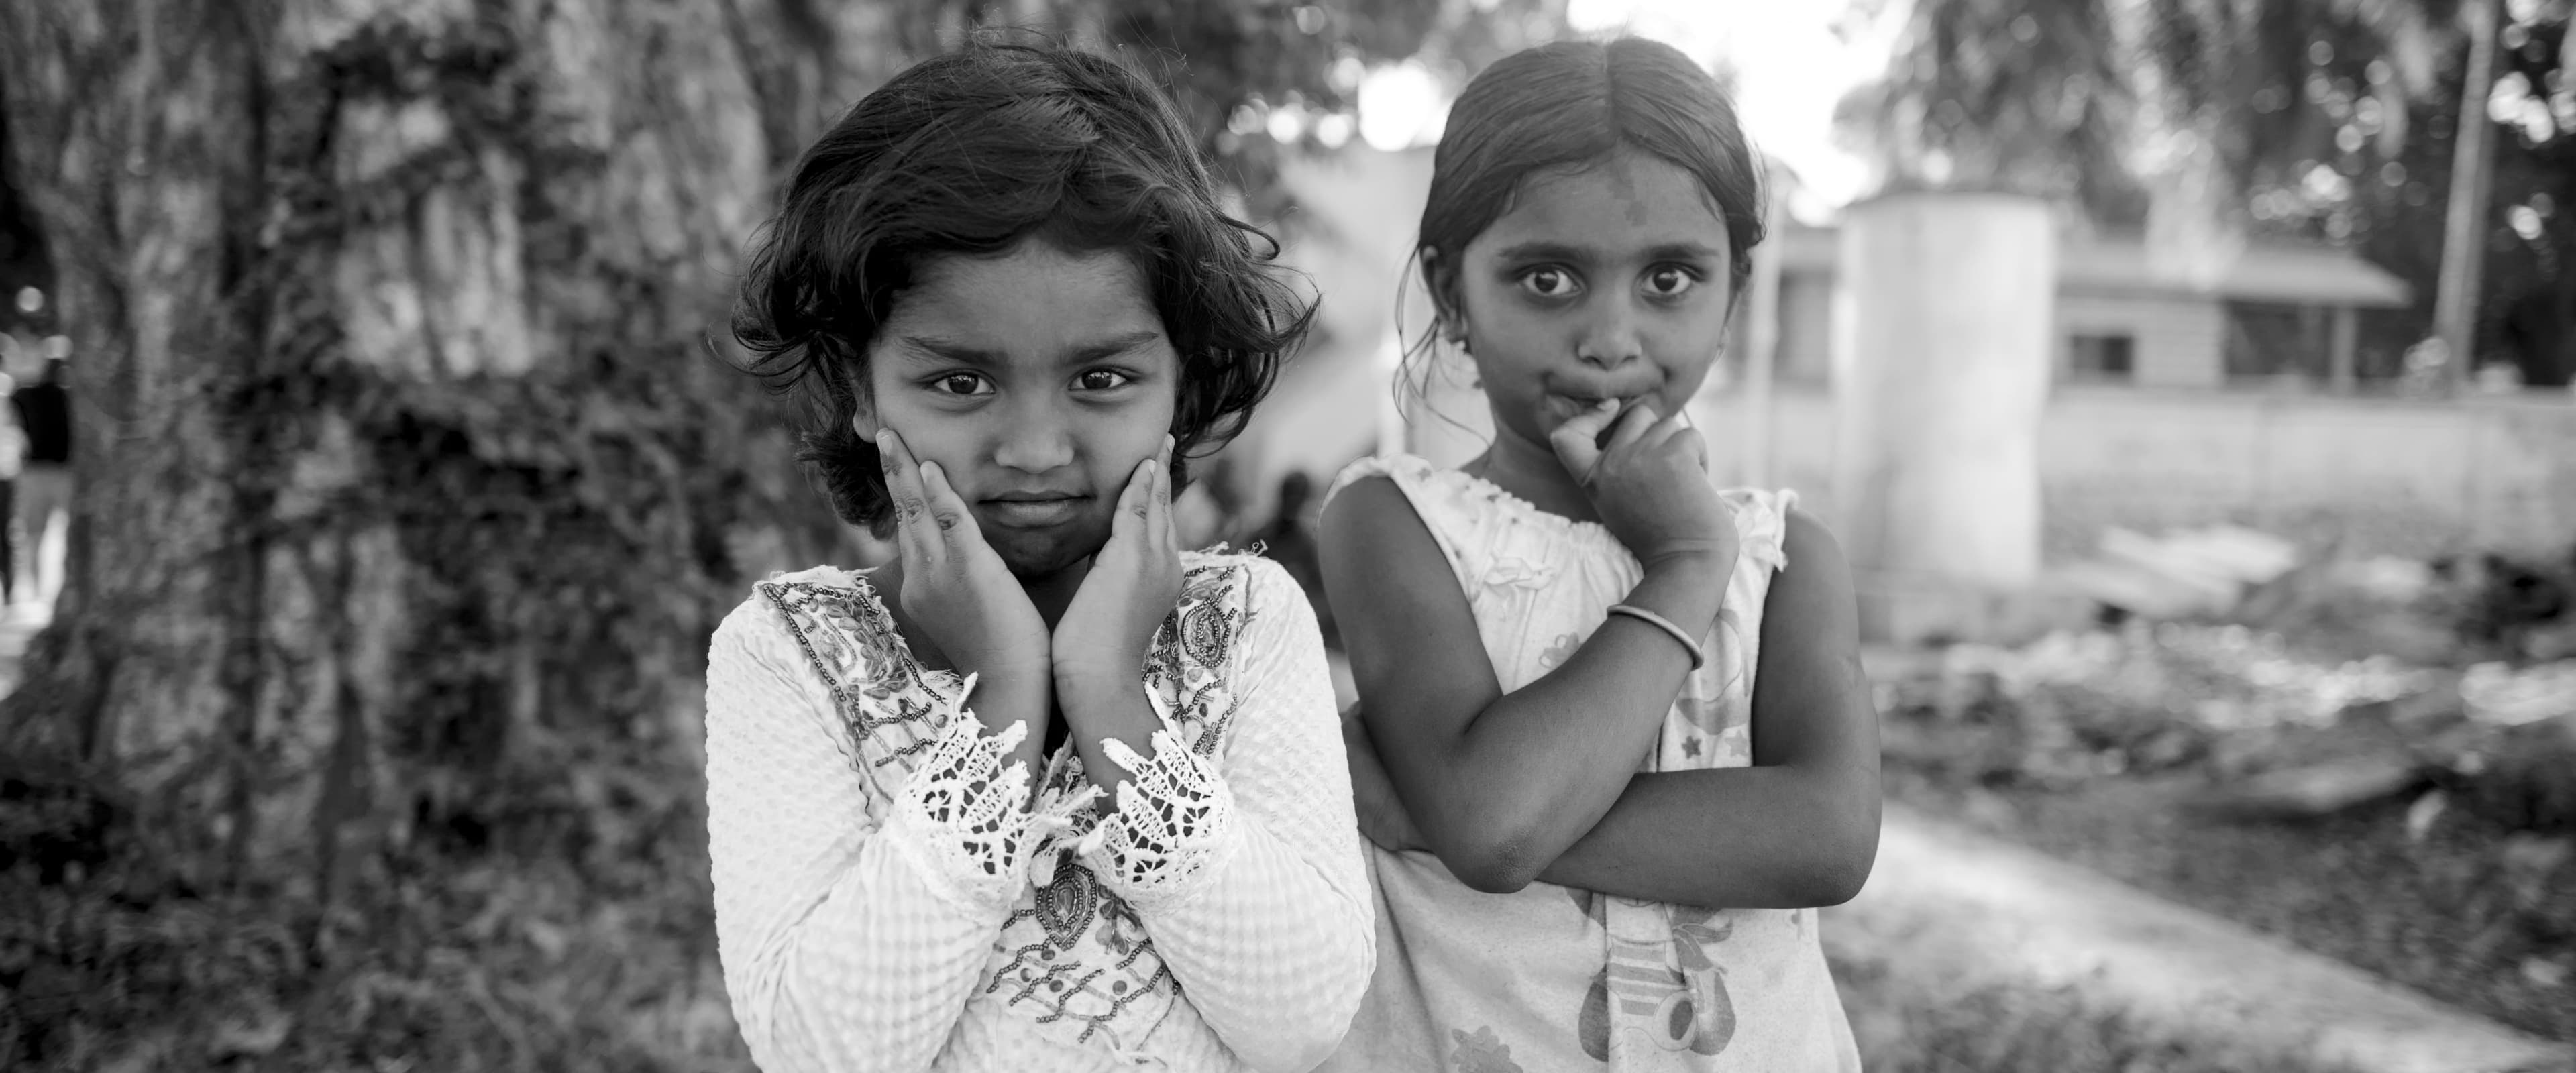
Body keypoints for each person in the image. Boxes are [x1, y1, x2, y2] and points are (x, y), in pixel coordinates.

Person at [706, 39, 1372, 1073]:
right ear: (859, 384)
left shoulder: (1247, 624)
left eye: (1101, 380)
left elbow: (1303, 1017)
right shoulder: (790, 654)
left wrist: (1108, 688)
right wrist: (1006, 698)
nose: (1033, 451)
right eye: (961, 384)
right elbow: (825, 1046)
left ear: (1183, 383)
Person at [1317, 38, 1880, 1072]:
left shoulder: (1785, 555)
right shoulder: (1394, 523)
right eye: (1547, 278)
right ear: (1452, 291)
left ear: (1735, 288)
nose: (1610, 338)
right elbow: (1493, 825)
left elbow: (1831, 838)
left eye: (1669, 278)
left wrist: (1443, 815)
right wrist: (1681, 571)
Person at [10, 355, 68, 612]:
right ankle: (37, 592)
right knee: (34, 534)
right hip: (41, 471)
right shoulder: (30, 395)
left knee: (44, 534)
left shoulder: (70, 397)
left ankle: (46, 590)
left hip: (60, 471)